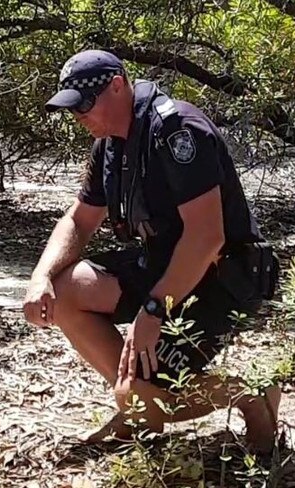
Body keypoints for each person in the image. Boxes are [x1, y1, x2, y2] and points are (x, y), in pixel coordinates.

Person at [23, 49, 281, 453]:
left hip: (223, 274)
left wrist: (154, 310)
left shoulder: (178, 131)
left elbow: (206, 237)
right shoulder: (109, 145)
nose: (79, 116)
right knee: (65, 289)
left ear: (118, 85)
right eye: (72, 108)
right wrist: (40, 278)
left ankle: (252, 394)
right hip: (167, 264)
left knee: (150, 400)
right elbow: (79, 219)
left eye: (85, 105)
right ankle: (138, 402)